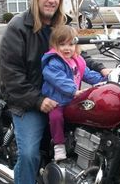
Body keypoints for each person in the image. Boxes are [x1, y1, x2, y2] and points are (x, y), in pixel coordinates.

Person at [0, 0, 110, 184]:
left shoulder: (63, 25)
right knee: (28, 155)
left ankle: (108, 177)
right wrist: (38, 100)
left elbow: (79, 56)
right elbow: (11, 79)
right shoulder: (17, 28)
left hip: (60, 98)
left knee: (105, 123)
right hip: (28, 101)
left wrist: (104, 70)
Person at [42, 25, 107, 161]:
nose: (67, 48)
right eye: (62, 44)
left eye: (71, 44)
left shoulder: (78, 60)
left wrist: (105, 79)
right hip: (57, 101)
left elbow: (88, 74)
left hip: (72, 99)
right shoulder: (54, 63)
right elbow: (59, 80)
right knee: (56, 117)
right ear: (55, 45)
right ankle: (58, 145)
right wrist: (74, 91)